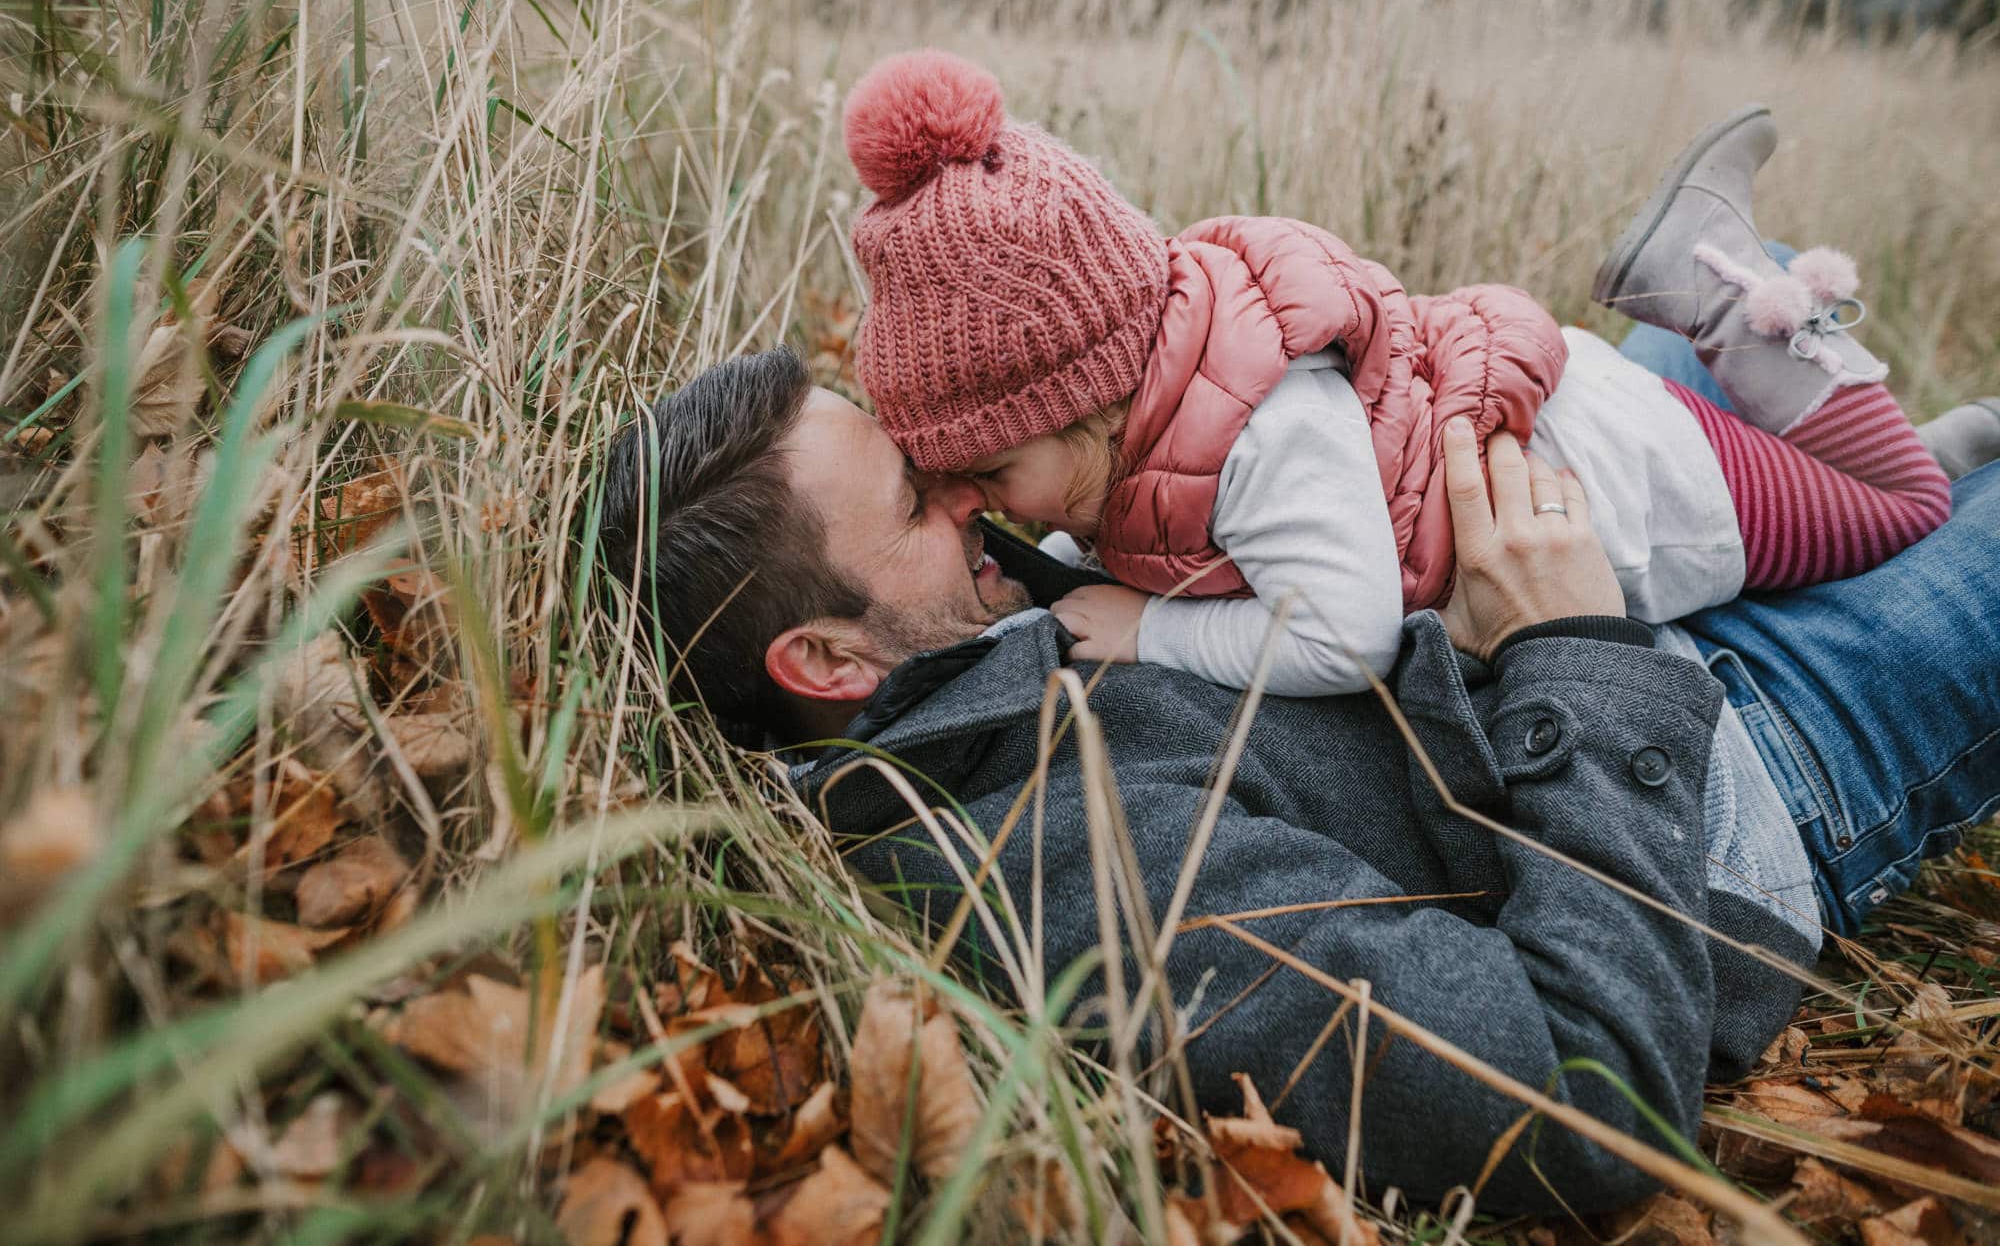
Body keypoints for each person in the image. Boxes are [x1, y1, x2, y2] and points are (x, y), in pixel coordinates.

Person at [595, 329, 2000, 1212]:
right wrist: (1574, 643)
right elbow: (1576, 1104)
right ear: (829, 666)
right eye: (915, 498)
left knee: (1700, 342)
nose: (965, 483)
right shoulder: (1065, 866)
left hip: (1530, 610)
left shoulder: (970, 614)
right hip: (1719, 769)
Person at [836, 51, 1974, 697]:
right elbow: (1156, 525)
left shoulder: (1265, 435)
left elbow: (1345, 633)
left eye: (992, 465)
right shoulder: (1164, 390)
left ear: (1089, 401)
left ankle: (1724, 292)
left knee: (1898, 513)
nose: (980, 498)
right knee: (1852, 493)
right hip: (1582, 419)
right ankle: (1886, 433)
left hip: (1642, 483)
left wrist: (1152, 631)